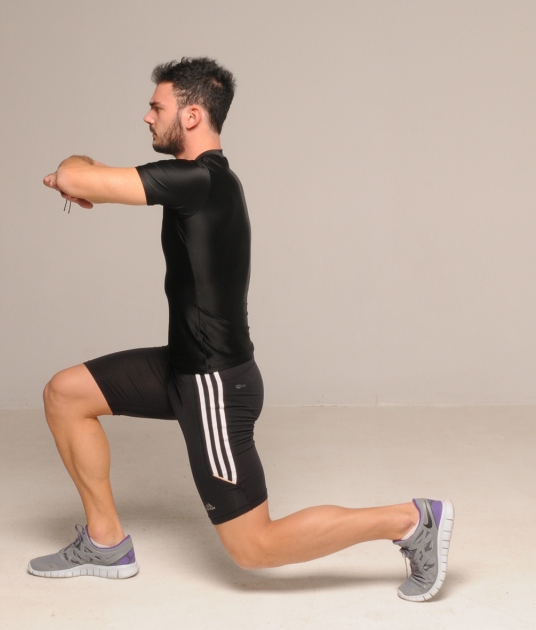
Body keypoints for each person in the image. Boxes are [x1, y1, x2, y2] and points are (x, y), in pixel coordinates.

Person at [29, 57, 454, 602]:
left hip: (213, 383)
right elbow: (88, 178)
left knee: (255, 548)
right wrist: (81, 172)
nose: (147, 117)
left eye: (157, 107)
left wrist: (71, 169)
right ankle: (105, 542)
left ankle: (412, 520)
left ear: (191, 115)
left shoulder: (199, 181)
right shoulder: (201, 183)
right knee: (66, 393)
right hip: (183, 366)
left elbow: (75, 176)